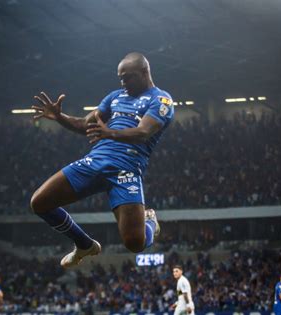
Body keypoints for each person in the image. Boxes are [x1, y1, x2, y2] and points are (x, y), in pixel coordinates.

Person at [30, 52, 174, 268]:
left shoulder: (161, 99)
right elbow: (85, 124)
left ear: (145, 72)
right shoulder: (115, 97)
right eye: (120, 78)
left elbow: (144, 132)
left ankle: (150, 220)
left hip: (126, 169)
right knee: (39, 203)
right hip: (95, 161)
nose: (123, 83)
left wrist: (110, 134)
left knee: (135, 243)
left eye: (128, 77)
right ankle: (84, 244)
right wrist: (60, 117)